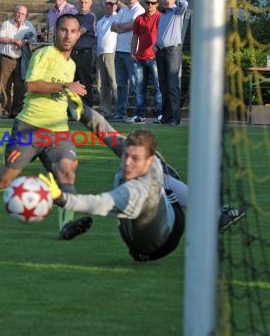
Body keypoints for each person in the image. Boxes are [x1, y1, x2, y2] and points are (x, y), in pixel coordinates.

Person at [40, 106, 246, 261]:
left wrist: (60, 198)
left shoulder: (135, 191)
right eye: (126, 156)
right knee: (165, 182)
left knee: (163, 187)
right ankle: (214, 213)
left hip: (166, 237)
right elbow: (105, 131)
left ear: (149, 160)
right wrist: (82, 110)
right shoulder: (138, 163)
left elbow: (98, 203)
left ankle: (212, 216)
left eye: (135, 159)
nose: (128, 163)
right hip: (145, 237)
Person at [0, 14, 86, 233]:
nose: (68, 35)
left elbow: (63, 93)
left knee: (67, 173)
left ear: (79, 34)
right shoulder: (44, 54)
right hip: (29, 129)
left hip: (58, 133)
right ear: (55, 31)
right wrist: (66, 87)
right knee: (3, 181)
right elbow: (31, 85)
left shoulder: (71, 64)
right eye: (64, 30)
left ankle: (66, 226)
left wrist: (74, 103)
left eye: (73, 31)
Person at [109, 0, 144, 122]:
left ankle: (139, 114)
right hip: (119, 51)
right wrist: (124, 27)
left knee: (136, 84)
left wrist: (122, 27)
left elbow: (132, 26)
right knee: (121, 84)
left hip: (132, 52)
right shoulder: (123, 10)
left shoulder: (140, 10)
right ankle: (120, 112)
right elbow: (113, 27)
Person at [154, 0, 188, 126]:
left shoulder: (177, 12)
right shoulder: (162, 15)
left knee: (172, 85)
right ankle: (166, 117)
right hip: (161, 51)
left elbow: (185, 4)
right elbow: (161, 34)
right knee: (163, 86)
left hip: (173, 50)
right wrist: (156, 44)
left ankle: (175, 118)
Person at [0, 5, 37, 119]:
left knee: (20, 87)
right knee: (5, 86)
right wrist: (14, 40)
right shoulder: (6, 23)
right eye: (18, 13)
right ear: (14, 12)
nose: (20, 15)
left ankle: (16, 111)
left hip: (21, 60)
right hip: (6, 58)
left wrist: (26, 40)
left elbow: (34, 39)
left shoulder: (29, 25)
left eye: (23, 14)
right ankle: (6, 110)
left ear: (26, 15)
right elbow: (0, 38)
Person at [128, 0, 162, 124]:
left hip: (155, 58)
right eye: (148, 2)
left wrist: (158, 51)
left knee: (159, 88)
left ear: (157, 4)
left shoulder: (161, 17)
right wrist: (132, 52)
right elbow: (135, 36)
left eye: (153, 3)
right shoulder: (139, 18)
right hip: (140, 58)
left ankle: (160, 115)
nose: (150, 5)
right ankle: (140, 115)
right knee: (139, 88)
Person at [95, 0, 119, 118]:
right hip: (100, 53)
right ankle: (105, 110)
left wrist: (118, 4)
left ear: (116, 5)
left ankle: (118, 110)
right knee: (102, 83)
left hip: (112, 53)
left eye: (112, 4)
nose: (109, 6)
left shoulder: (119, 17)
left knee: (114, 82)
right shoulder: (100, 21)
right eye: (107, 4)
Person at [71, 0, 97, 107]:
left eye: (86, 2)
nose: (83, 5)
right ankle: (73, 110)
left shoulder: (90, 16)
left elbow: (81, 31)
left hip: (84, 54)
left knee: (84, 81)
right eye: (81, 2)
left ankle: (87, 110)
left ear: (90, 4)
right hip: (73, 53)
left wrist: (69, 35)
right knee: (73, 82)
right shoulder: (75, 17)